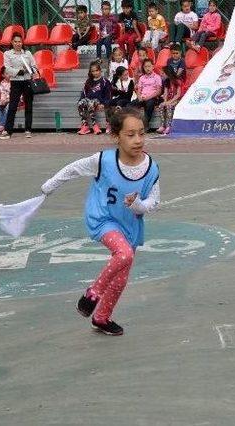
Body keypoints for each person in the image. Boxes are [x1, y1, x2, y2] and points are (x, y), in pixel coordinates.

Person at [40, 107, 161, 336]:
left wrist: (138, 205)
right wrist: (50, 185)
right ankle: (92, 293)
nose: (138, 140)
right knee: (123, 254)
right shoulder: (103, 160)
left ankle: (102, 318)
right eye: (130, 134)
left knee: (121, 278)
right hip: (103, 219)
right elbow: (74, 169)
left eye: (142, 133)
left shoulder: (151, 168)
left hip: (130, 225)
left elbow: (154, 200)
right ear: (116, 136)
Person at [0, 33, 39, 140]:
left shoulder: (28, 53)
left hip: (27, 81)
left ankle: (28, 129)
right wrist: (20, 71)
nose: (18, 44)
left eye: (19, 41)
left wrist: (31, 70)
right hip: (15, 82)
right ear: (12, 42)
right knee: (12, 106)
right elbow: (7, 69)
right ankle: (8, 130)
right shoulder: (7, 54)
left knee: (28, 106)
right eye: (15, 41)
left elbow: (34, 66)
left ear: (22, 42)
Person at [77, 61, 112, 135]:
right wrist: (81, 100)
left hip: (98, 101)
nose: (95, 73)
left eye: (97, 70)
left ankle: (94, 125)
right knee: (80, 103)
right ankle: (85, 125)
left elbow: (108, 95)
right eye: (93, 71)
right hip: (89, 100)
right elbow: (84, 93)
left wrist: (103, 104)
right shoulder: (89, 81)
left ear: (100, 70)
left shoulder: (105, 81)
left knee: (90, 102)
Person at [130, 59, 163, 129]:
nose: (147, 68)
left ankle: (145, 125)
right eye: (145, 67)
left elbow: (158, 91)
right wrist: (139, 97)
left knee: (149, 104)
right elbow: (139, 90)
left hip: (152, 98)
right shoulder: (142, 78)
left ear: (153, 67)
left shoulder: (157, 77)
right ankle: (132, 125)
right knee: (130, 105)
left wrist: (148, 97)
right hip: (142, 97)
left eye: (149, 66)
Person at [107, 66, 136, 133]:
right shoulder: (116, 81)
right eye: (125, 75)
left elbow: (128, 95)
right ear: (119, 76)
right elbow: (114, 93)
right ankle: (109, 122)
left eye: (127, 74)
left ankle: (119, 122)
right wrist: (117, 90)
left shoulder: (130, 81)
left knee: (120, 102)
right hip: (120, 97)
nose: (127, 76)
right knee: (109, 102)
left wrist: (119, 91)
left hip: (128, 98)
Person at [157, 66, 182, 135]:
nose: (161, 74)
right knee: (161, 105)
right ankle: (162, 125)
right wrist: (165, 102)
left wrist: (169, 102)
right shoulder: (166, 81)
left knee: (169, 106)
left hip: (178, 100)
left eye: (163, 73)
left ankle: (169, 126)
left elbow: (178, 95)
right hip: (170, 100)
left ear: (168, 73)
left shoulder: (177, 81)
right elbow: (166, 93)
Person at [0, 66, 10, 134]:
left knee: (7, 108)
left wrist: (7, 100)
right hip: (5, 99)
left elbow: (16, 94)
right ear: (3, 75)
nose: (9, 75)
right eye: (7, 73)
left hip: (15, 100)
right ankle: (4, 125)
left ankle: (2, 125)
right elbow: (3, 93)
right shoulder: (2, 83)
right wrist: (2, 100)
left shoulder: (15, 82)